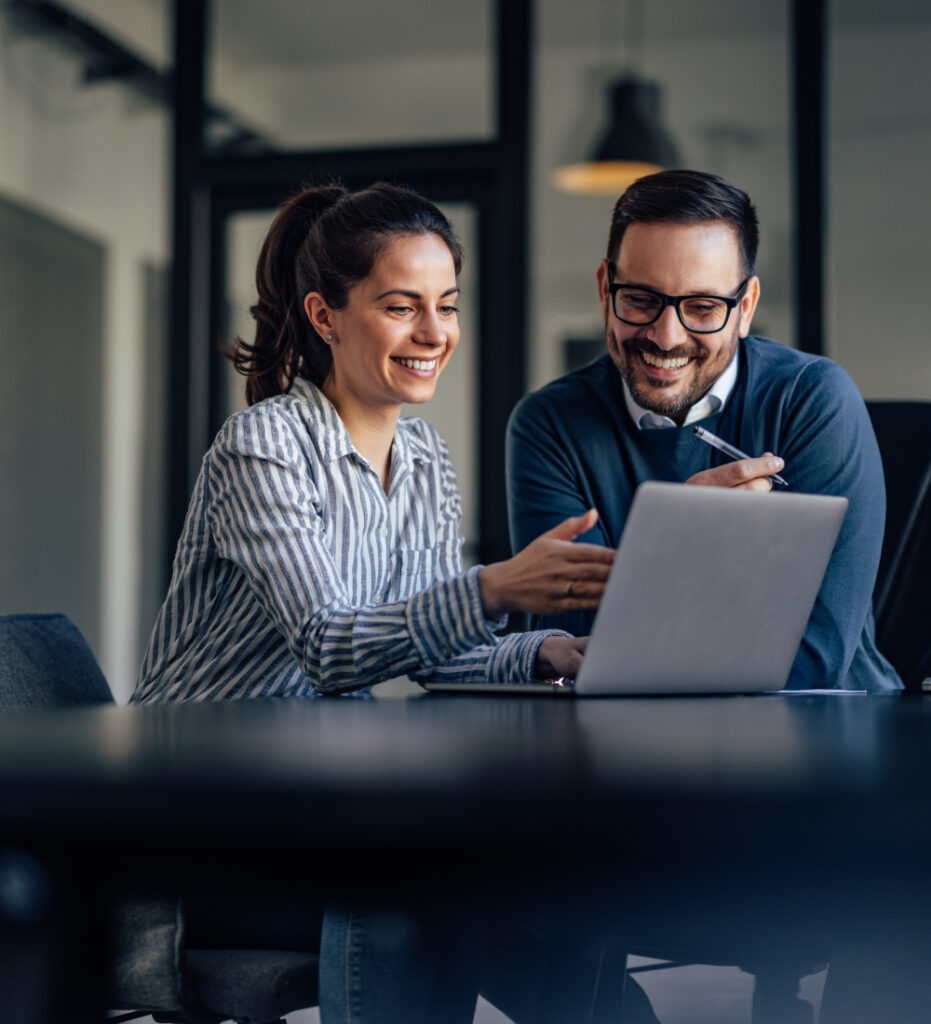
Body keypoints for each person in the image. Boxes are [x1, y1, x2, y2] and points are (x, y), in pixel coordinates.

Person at [131, 181, 617, 1023]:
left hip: (316, 803)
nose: (435, 334)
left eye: (446, 306)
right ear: (325, 316)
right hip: (201, 831)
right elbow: (329, 647)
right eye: (402, 307)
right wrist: (496, 585)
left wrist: (540, 653)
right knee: (420, 888)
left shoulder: (425, 458)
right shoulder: (263, 446)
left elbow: (434, 649)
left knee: (560, 910)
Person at [507, 169, 900, 693]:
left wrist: (648, 597)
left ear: (746, 308)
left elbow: (816, 653)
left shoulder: (814, 400)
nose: (666, 337)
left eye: (703, 307)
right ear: (606, 289)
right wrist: (679, 544)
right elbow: (577, 650)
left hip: (830, 729)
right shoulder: (548, 425)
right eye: (641, 299)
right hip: (628, 741)